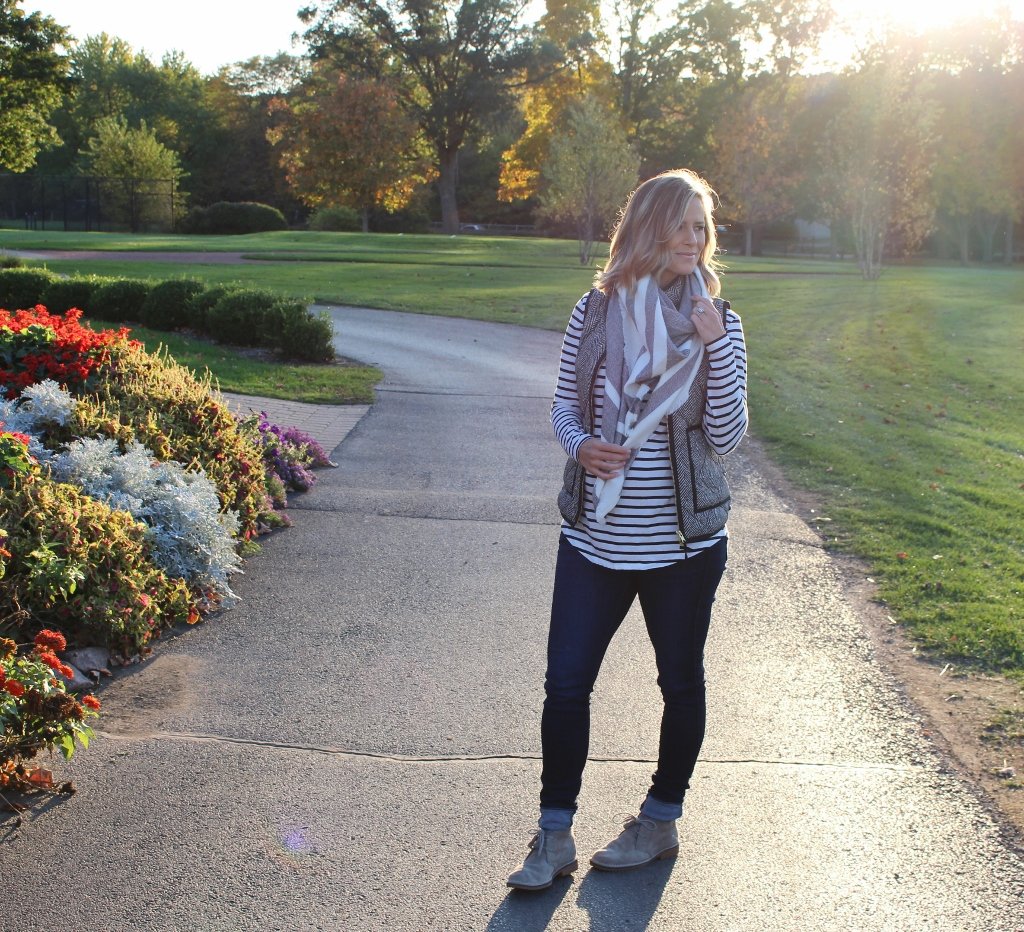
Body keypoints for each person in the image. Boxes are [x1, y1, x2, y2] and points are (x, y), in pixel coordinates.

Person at [507, 169, 748, 891]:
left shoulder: (719, 320)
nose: (693, 240)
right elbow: (562, 409)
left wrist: (717, 346)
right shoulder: (596, 310)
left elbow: (728, 436)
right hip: (594, 541)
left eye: (700, 228)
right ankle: (553, 838)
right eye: (680, 226)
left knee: (680, 682)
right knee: (566, 685)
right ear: (647, 230)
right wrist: (581, 445)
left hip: (682, 547)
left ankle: (660, 818)